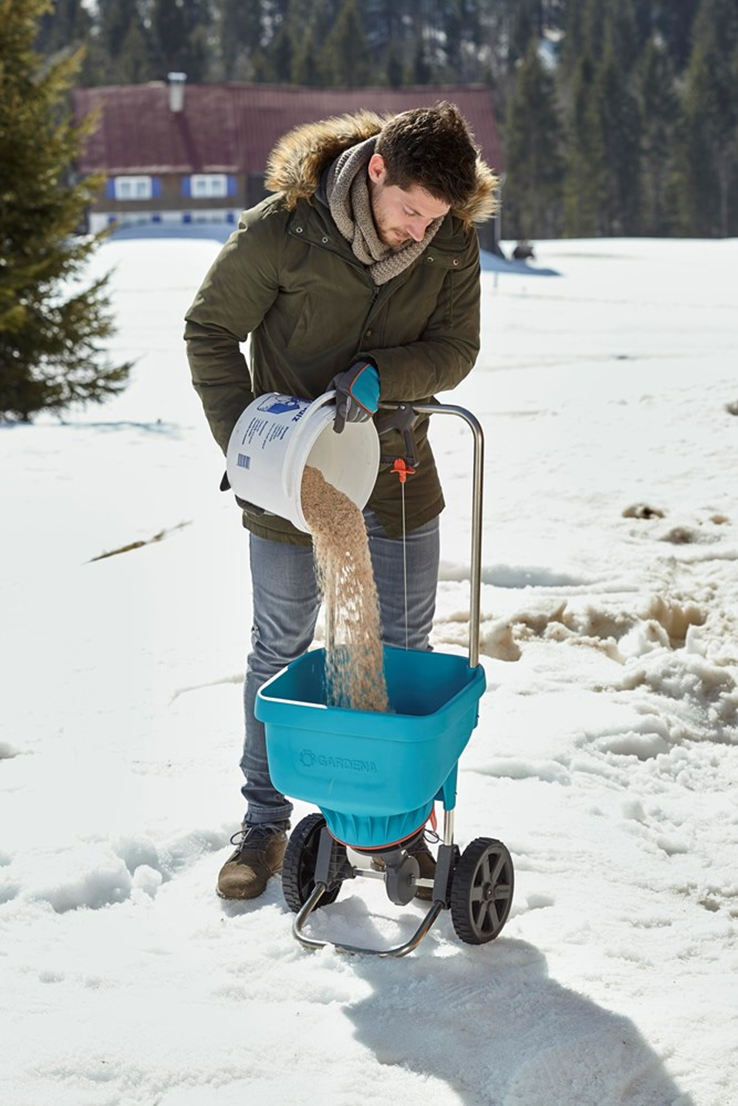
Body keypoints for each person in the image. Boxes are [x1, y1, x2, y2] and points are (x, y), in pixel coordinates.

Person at [184, 102, 497, 901]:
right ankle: (264, 822)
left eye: (435, 220)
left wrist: (383, 376)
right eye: (410, 212)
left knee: (401, 648)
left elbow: (456, 348)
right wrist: (248, 442)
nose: (420, 232)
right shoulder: (284, 229)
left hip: (396, 471)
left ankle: (393, 821)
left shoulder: (451, 237)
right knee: (281, 648)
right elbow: (209, 329)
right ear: (377, 170)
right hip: (294, 478)